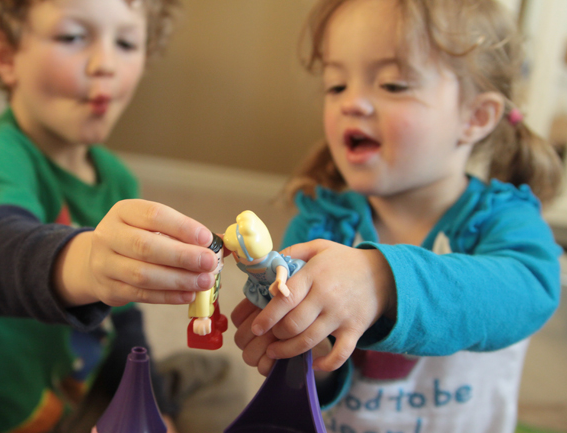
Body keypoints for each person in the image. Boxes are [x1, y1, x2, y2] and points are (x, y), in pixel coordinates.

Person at [231, 0, 563, 432]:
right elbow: (315, 374)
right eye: (336, 86)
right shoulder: (322, 227)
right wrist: (304, 351)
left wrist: (385, 281)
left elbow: (530, 289)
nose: (351, 103)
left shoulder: (502, 219)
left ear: (475, 117)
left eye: (392, 84)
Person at [0, 0, 221, 432]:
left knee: (211, 377)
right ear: (5, 56)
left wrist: (156, 410)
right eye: (73, 37)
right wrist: (88, 262)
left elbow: (125, 323)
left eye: (127, 42)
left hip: (65, 398)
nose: (105, 64)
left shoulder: (116, 181)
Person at [223, 210, 304, 309]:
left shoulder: (272, 259)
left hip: (280, 282)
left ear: (250, 255)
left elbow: (282, 267)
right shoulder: (246, 265)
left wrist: (280, 280)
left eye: (238, 254)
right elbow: (239, 262)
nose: (236, 256)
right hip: (263, 289)